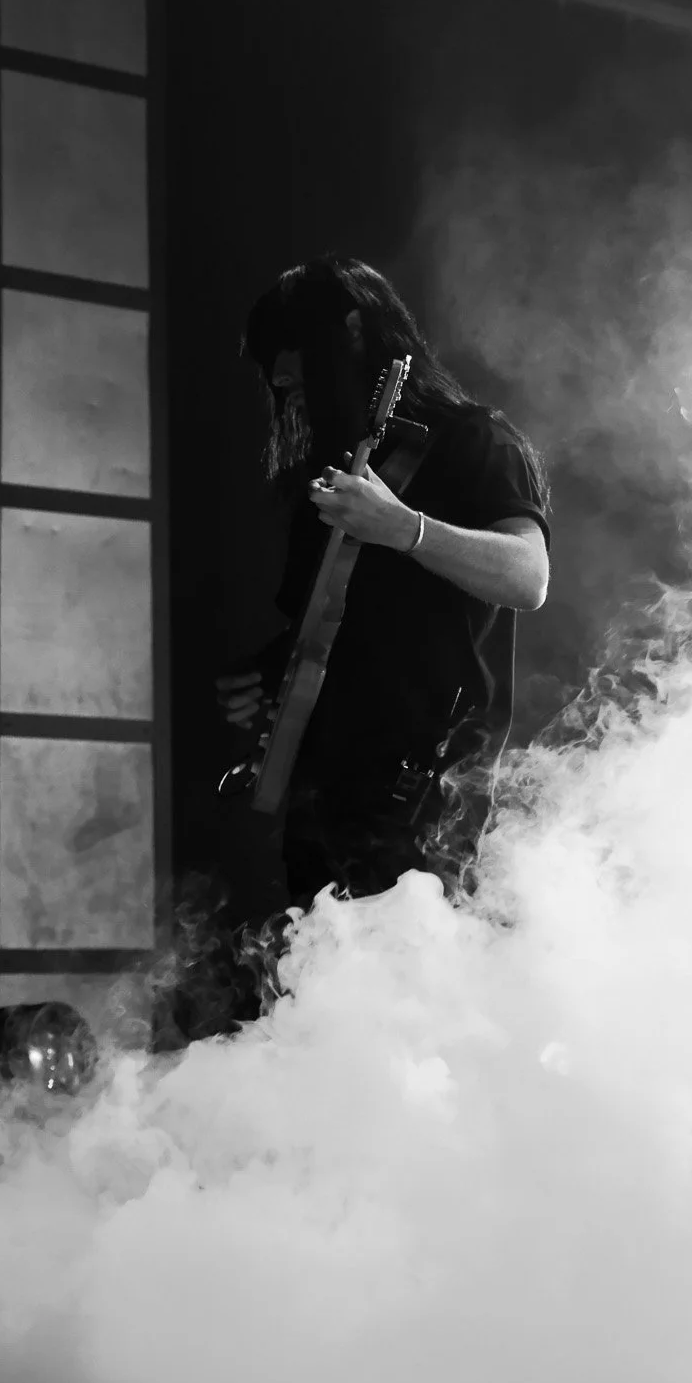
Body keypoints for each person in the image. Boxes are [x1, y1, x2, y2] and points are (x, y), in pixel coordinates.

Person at [217, 256, 550, 910]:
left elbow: (527, 576)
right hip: (323, 802)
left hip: (427, 803)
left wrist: (404, 527)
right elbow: (344, 623)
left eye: (290, 347)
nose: (279, 376)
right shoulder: (333, 474)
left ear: (351, 331)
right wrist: (270, 674)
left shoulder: (477, 441)